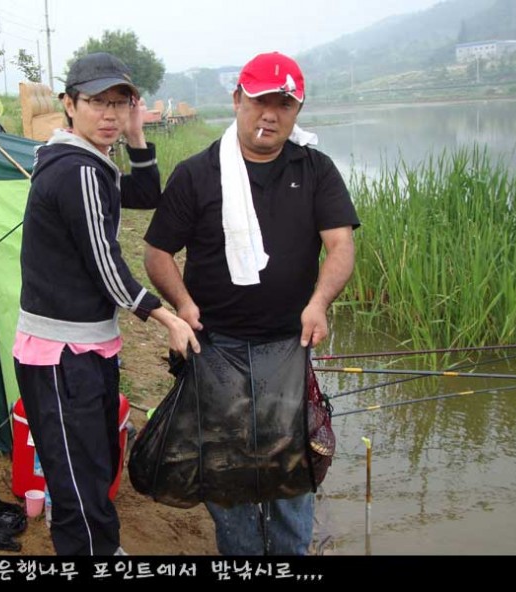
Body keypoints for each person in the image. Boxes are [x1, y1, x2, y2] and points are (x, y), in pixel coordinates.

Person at [143, 51, 360, 555]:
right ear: (237, 99)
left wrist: (319, 303)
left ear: (297, 110)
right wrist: (182, 304)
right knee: (225, 467)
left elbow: (341, 246)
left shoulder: (315, 169)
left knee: (290, 465)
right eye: (261, 100)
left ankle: (290, 554)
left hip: (287, 345)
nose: (271, 114)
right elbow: (157, 253)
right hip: (215, 347)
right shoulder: (197, 174)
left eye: (284, 104)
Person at [13, 52, 200, 556]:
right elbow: (106, 264)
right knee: (77, 475)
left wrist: (137, 137)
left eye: (121, 103)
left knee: (93, 463)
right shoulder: (76, 170)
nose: (110, 114)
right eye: (98, 102)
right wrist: (164, 316)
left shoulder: (87, 161)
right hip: (60, 354)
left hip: (85, 345)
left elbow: (145, 193)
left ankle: (99, 547)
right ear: (69, 104)